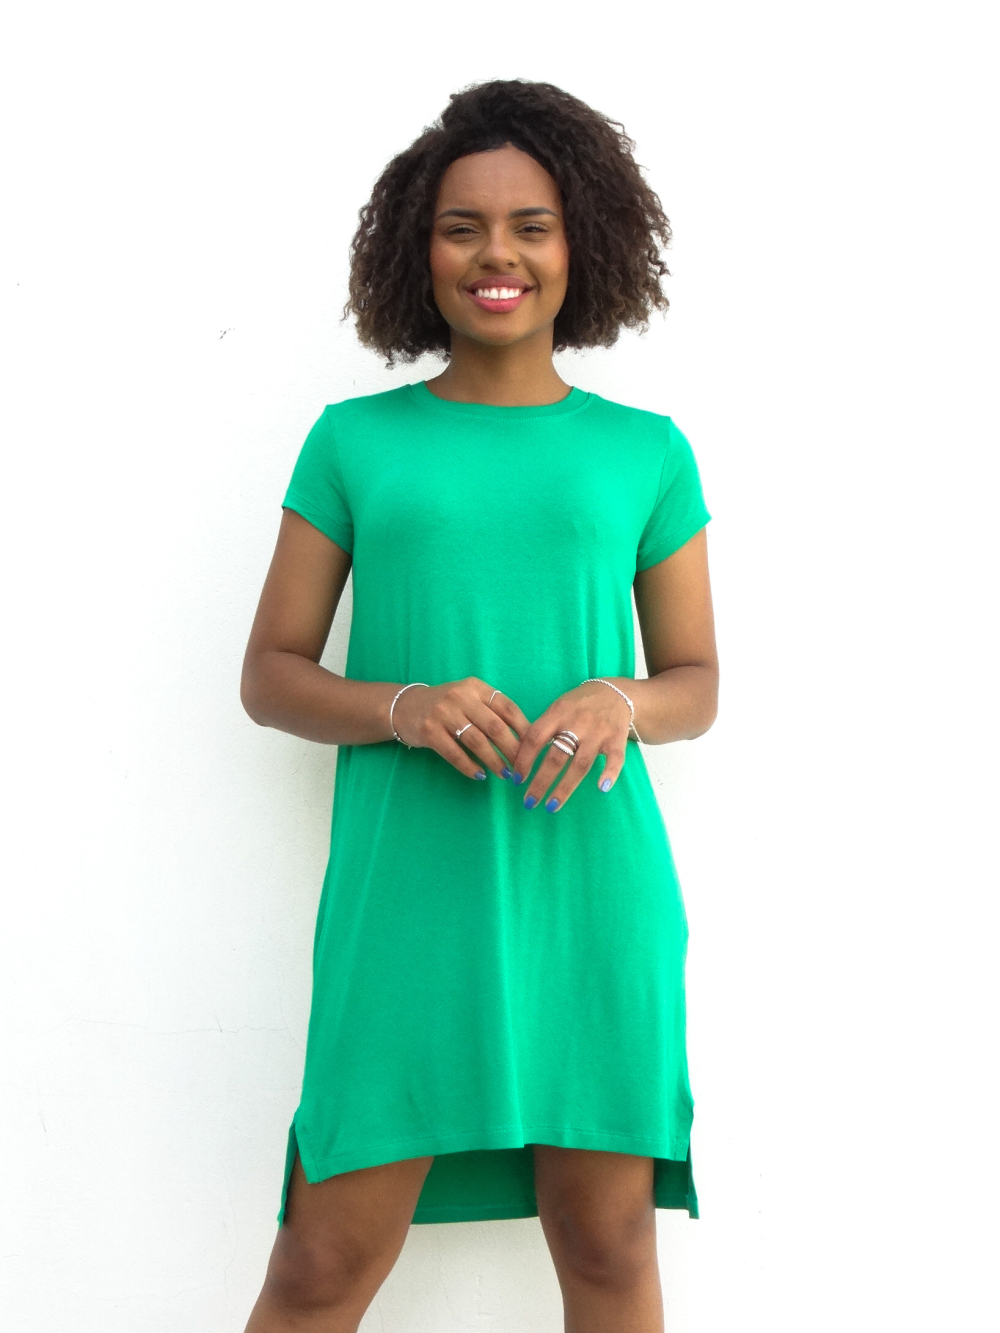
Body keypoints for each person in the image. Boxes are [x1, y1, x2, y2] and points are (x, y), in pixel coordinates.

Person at [240, 78, 718, 1333]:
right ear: (421, 249)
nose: (496, 254)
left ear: (582, 244)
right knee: (320, 1263)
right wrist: (400, 704)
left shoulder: (646, 451)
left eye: (530, 227)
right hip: (408, 897)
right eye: (462, 228)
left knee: (608, 1247)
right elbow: (271, 672)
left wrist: (618, 697)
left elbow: (695, 683)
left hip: (591, 892)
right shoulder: (353, 442)